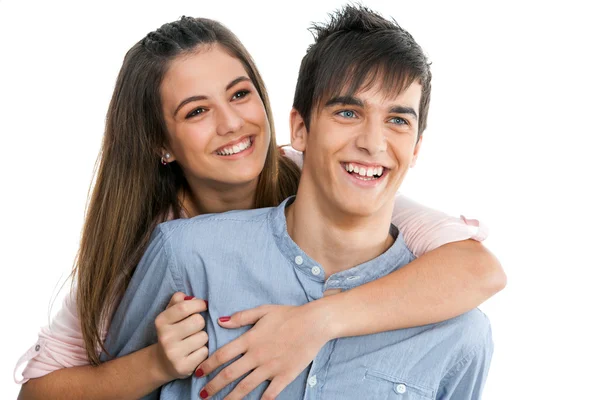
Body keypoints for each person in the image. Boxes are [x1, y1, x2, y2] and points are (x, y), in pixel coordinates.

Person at [15, 12, 504, 400]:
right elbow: (39, 392)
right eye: (198, 111)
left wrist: (315, 322)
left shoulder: (338, 174)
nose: (232, 124)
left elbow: (478, 270)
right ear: (161, 144)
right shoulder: (161, 247)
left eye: (240, 94)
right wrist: (157, 364)